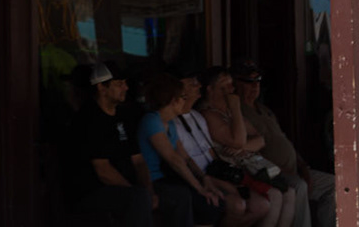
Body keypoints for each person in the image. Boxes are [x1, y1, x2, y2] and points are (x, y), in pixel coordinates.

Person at [219, 62, 336, 227]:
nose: (254, 86)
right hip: (270, 173)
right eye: (248, 81)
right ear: (235, 84)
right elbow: (248, 151)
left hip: (296, 168)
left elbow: (284, 141)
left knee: (334, 185)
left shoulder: (264, 110)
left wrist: (303, 166)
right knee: (298, 186)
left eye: (257, 81)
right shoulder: (237, 113)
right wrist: (283, 171)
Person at [140, 75, 253, 227]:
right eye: (183, 97)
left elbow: (185, 157)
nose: (185, 101)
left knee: (212, 202)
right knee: (201, 202)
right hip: (157, 181)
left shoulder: (170, 123)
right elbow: (173, 159)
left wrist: (204, 178)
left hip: (172, 178)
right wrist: (199, 188)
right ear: (174, 100)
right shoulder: (152, 120)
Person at [179, 73, 285, 227]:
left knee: (269, 201)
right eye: (225, 85)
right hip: (205, 174)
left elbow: (260, 139)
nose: (231, 89)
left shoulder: (196, 117)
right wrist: (235, 108)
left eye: (231, 85)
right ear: (211, 89)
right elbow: (237, 141)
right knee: (254, 201)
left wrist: (242, 146)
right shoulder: (207, 113)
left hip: (225, 171)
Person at [72, 62, 155, 227]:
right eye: (119, 84)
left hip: (129, 188)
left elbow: (138, 161)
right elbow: (103, 170)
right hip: (94, 191)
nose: (125, 88)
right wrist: (137, 193)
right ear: (101, 87)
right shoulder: (89, 119)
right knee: (137, 200)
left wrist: (149, 191)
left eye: (125, 83)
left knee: (176, 196)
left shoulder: (124, 116)